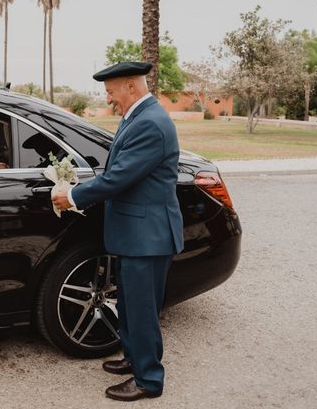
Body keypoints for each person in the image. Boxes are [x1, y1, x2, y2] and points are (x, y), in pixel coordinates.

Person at [52, 61, 184, 402]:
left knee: (142, 310)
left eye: (111, 91)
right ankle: (134, 357)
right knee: (129, 304)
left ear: (130, 86)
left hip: (148, 237)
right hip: (136, 233)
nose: (109, 98)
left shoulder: (151, 123)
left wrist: (73, 195)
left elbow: (120, 177)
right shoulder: (139, 116)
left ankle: (148, 380)